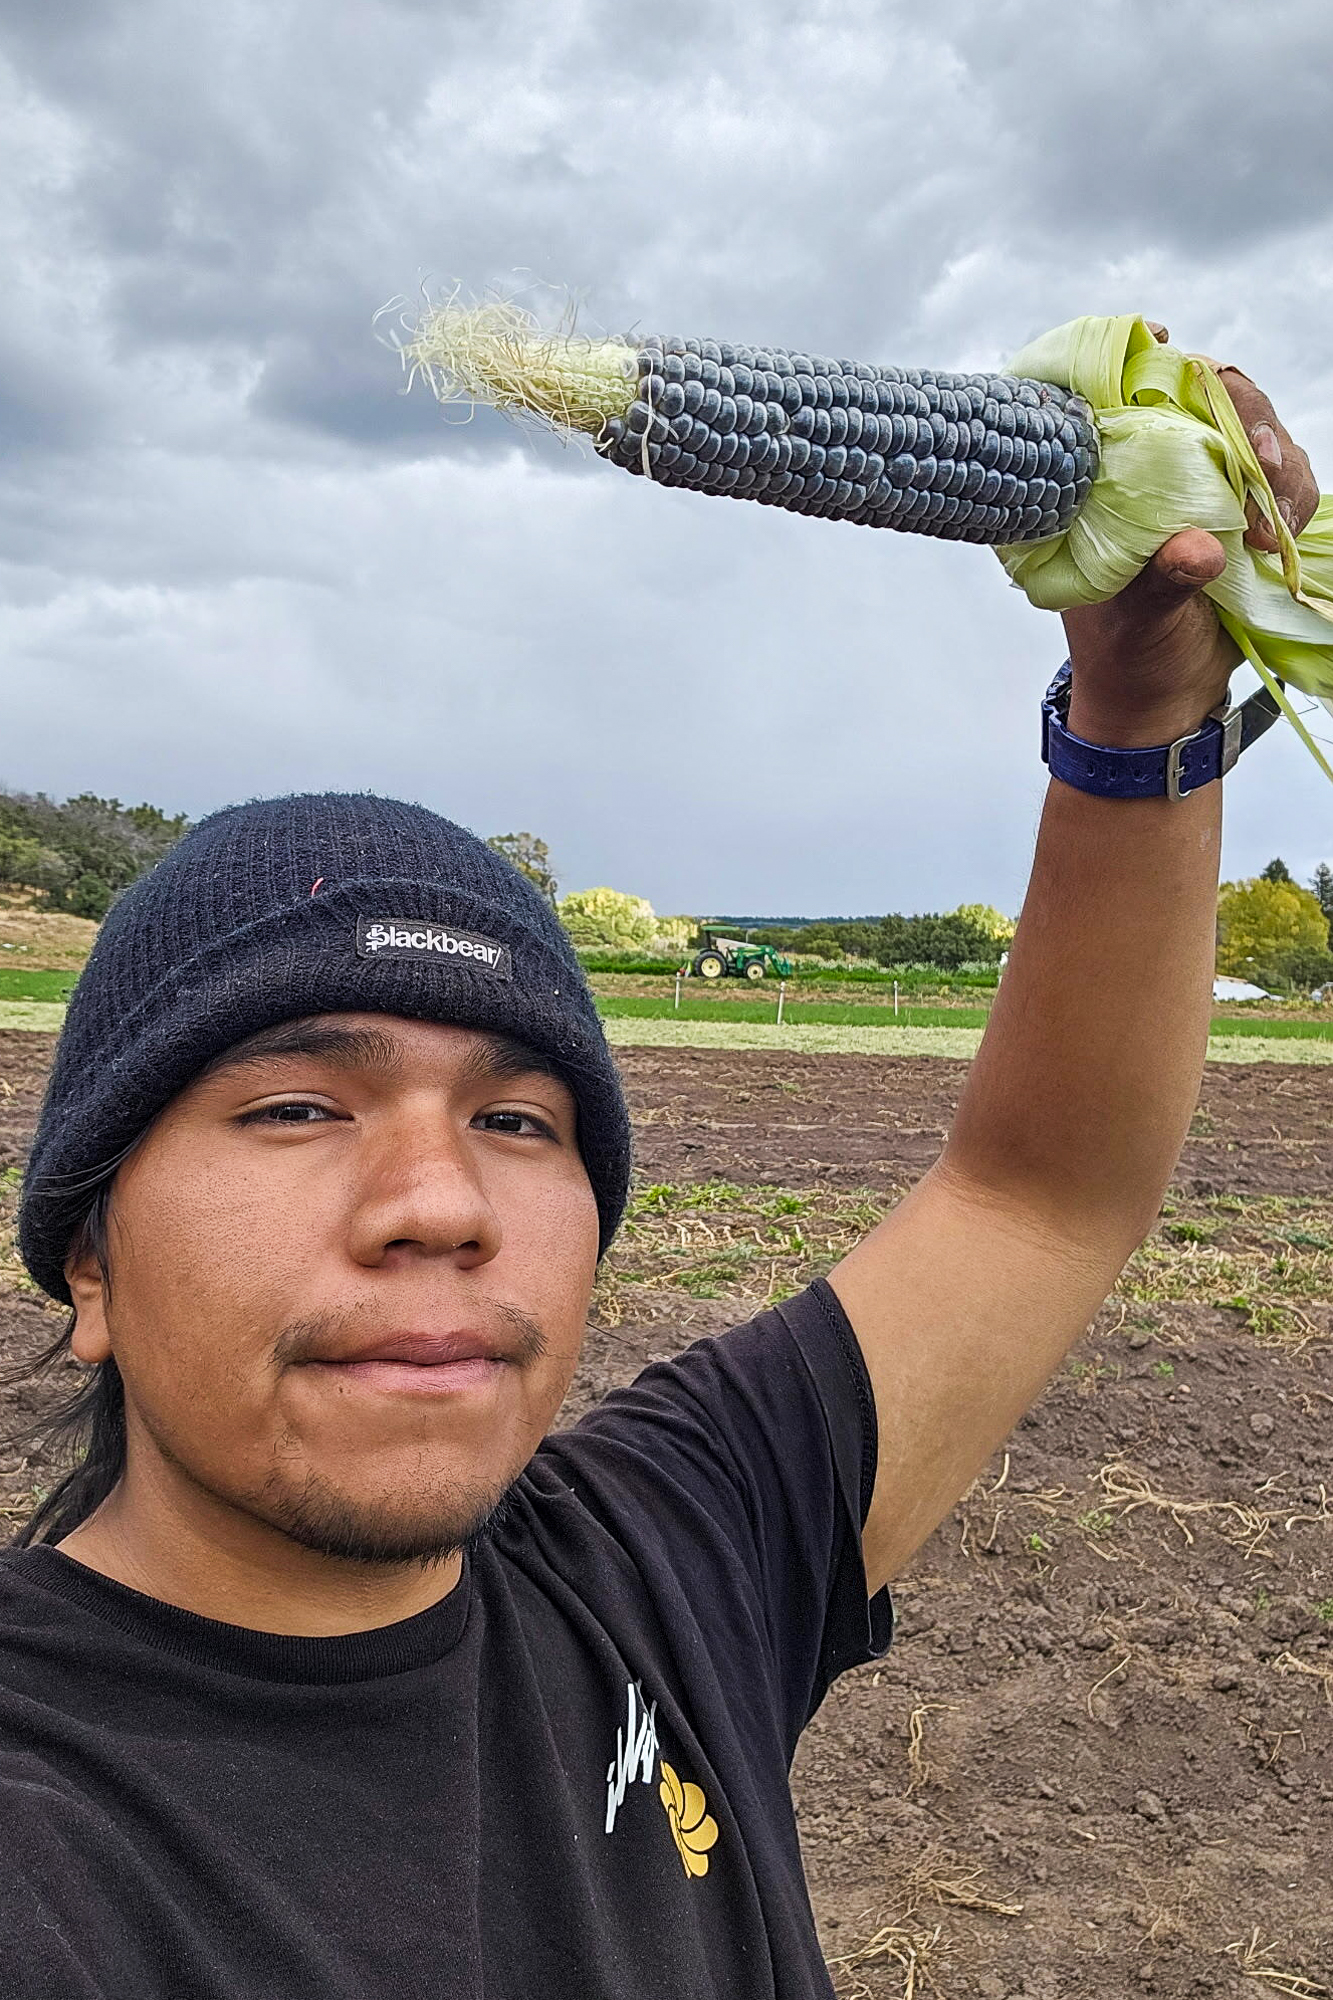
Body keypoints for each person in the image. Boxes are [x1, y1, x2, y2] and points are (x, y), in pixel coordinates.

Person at [0, 350, 1319, 1999]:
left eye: (518, 1122)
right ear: (92, 1266)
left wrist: (1146, 713)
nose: (442, 1203)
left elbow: (1038, 1193)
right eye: (293, 1109)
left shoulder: (663, 1559)